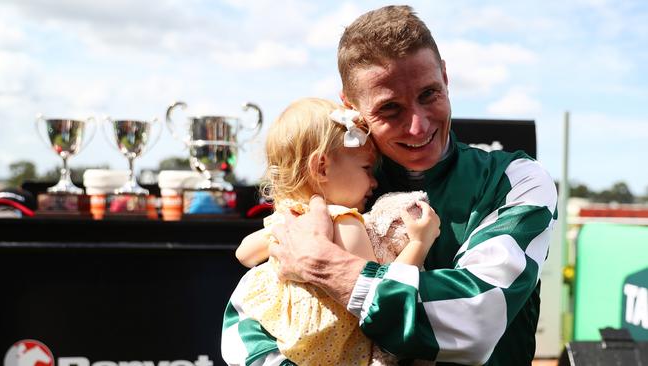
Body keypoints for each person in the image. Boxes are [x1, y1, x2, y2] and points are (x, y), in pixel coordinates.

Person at [222, 5, 557, 366]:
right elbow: (248, 314)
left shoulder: (516, 179)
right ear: (351, 107)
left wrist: (326, 266)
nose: (417, 126)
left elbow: (474, 318)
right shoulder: (336, 187)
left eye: (429, 94)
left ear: (445, 76)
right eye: (390, 109)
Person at [226, 97, 439, 366]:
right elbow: (380, 297)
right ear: (322, 167)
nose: (374, 182)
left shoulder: (289, 220)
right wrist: (419, 242)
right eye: (366, 168)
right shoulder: (346, 222)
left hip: (280, 345)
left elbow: (244, 254)